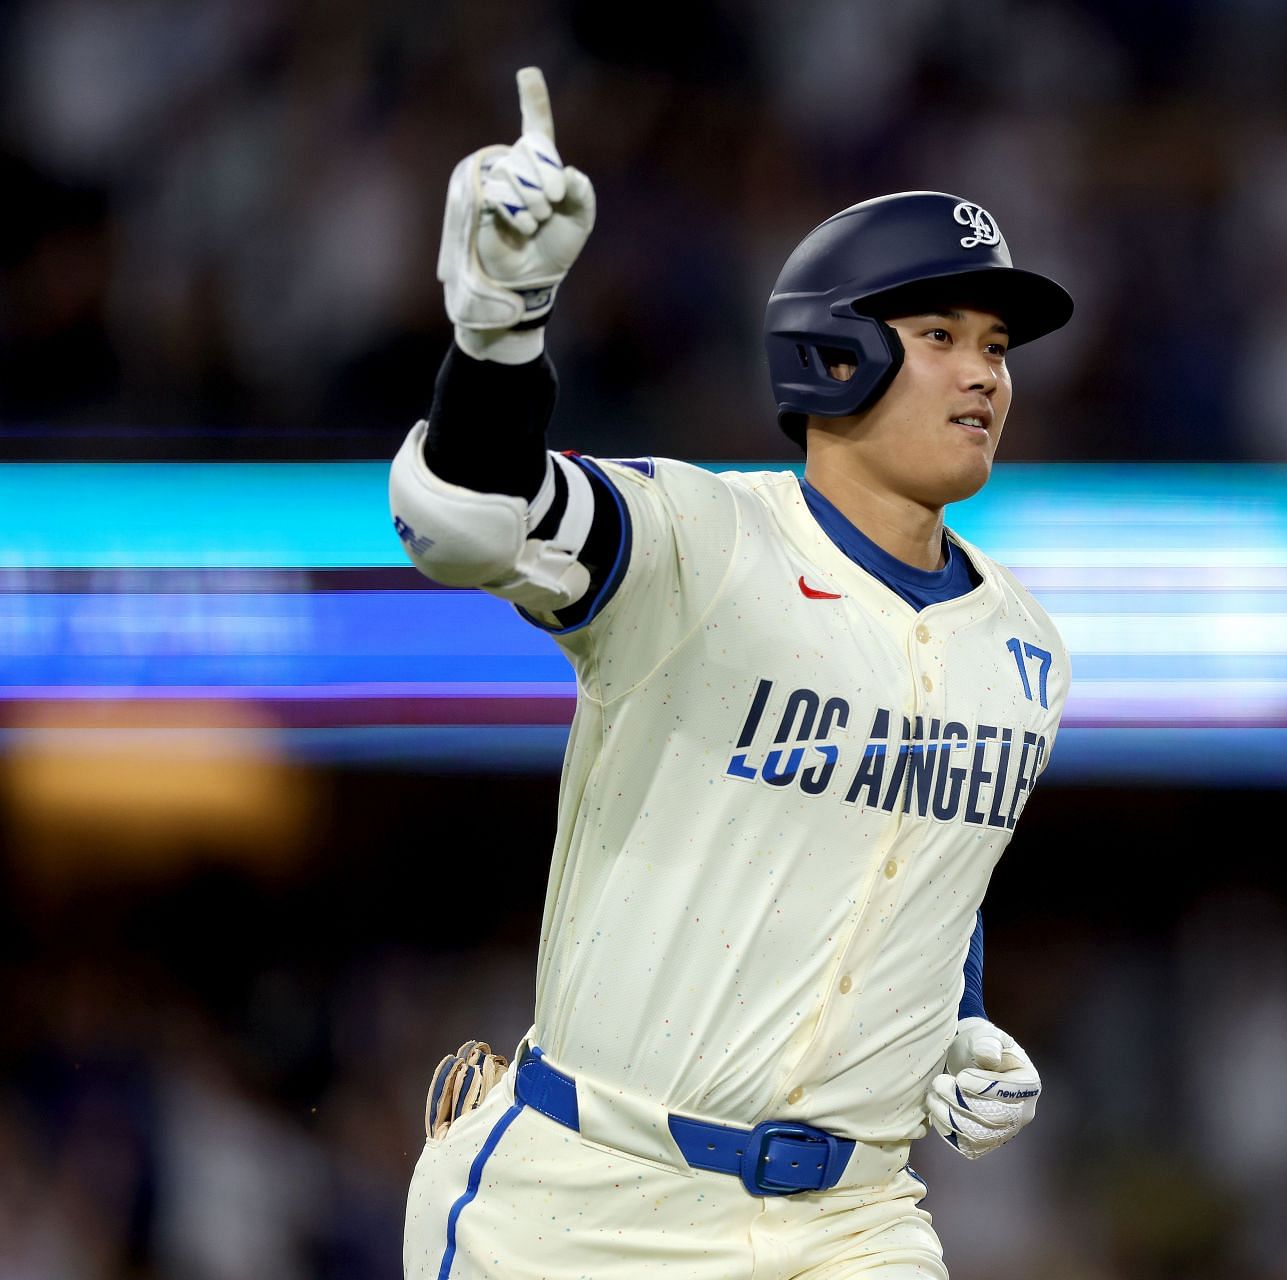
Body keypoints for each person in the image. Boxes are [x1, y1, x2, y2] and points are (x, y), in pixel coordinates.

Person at [390, 68, 1074, 1279]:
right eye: (940, 337)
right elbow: (466, 518)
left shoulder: (1027, 648)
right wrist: (499, 326)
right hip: (589, 1198)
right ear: (838, 351)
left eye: (997, 345)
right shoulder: (700, 543)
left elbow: (920, 867)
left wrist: (955, 1024)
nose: (985, 375)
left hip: (849, 1221)